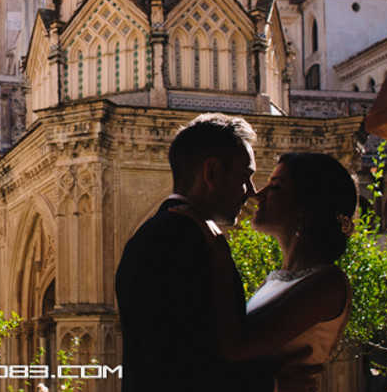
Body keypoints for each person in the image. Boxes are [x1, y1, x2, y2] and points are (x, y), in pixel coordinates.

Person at [114, 112, 281, 392]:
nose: (251, 192)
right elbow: (180, 366)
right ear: (212, 172)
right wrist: (273, 383)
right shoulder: (178, 241)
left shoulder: (160, 232)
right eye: (245, 177)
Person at [177, 152, 358, 392]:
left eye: (276, 187)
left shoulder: (327, 284)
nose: (257, 194)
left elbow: (233, 348)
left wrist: (220, 254)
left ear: (308, 208)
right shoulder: (277, 278)